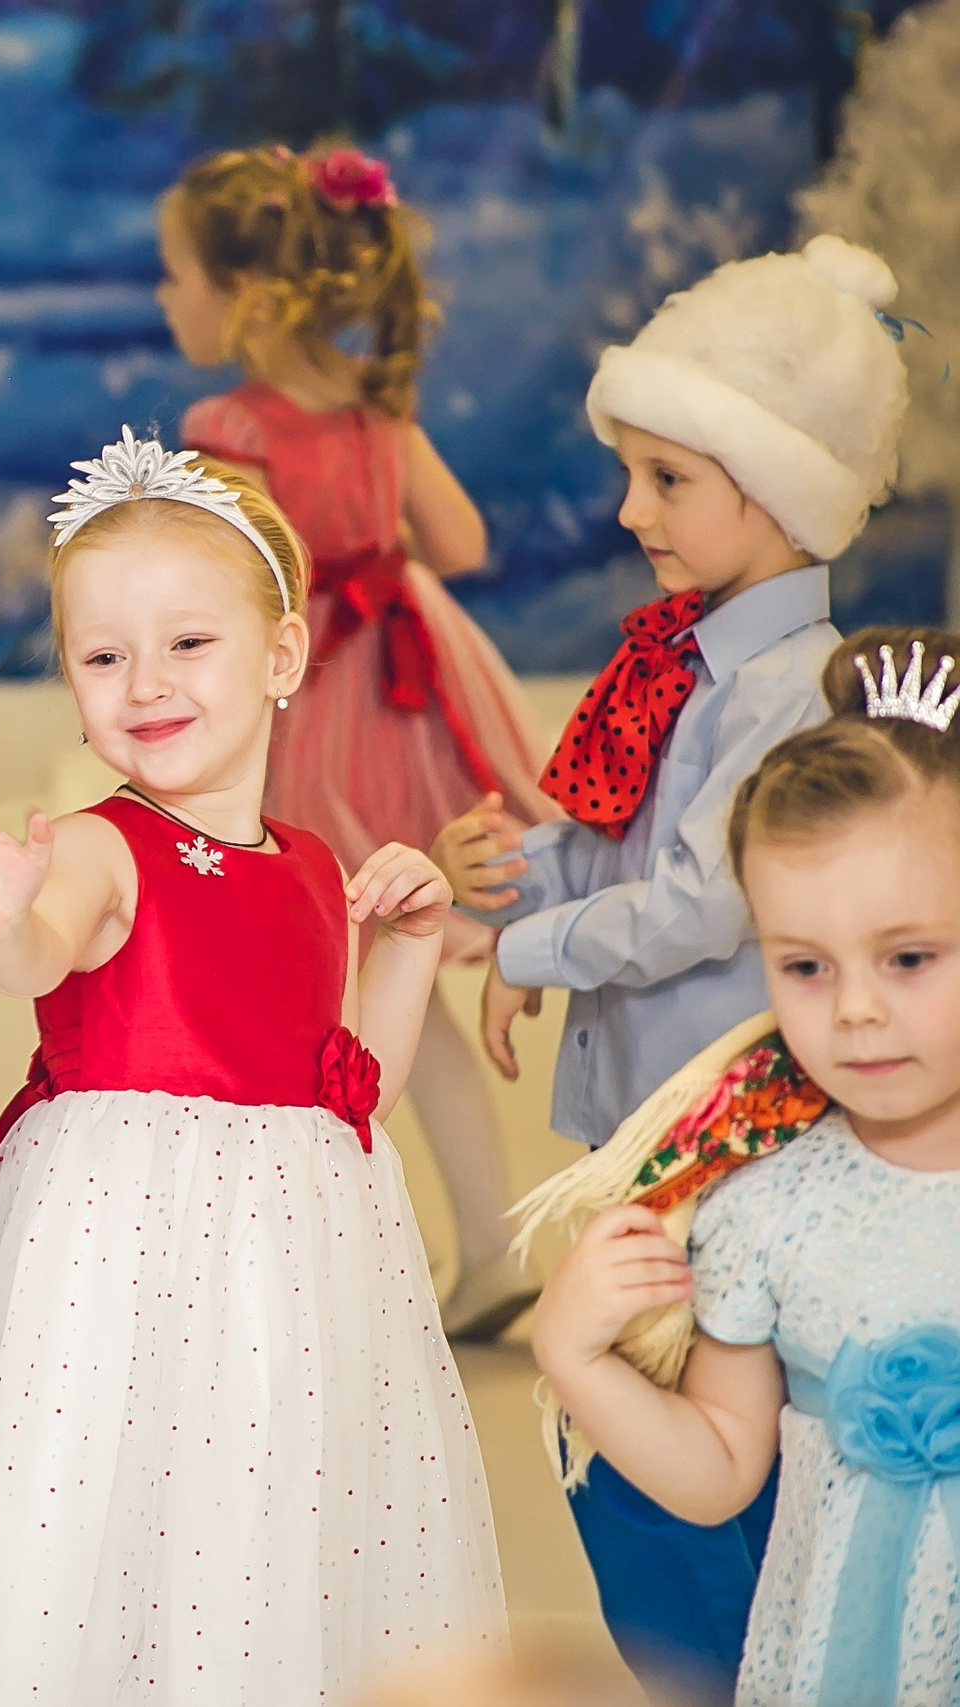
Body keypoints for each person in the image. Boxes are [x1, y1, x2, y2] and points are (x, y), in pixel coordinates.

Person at [0, 429, 504, 1705]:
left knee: (262, 1538)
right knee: (104, 1531)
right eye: (102, 657)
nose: (144, 683)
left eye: (188, 642)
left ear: (282, 655)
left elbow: (347, 1094)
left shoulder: (311, 865)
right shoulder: (101, 845)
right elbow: (36, 952)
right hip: (118, 1265)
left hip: (294, 1278)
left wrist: (413, 944)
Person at [433, 234, 909, 1699]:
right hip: (639, 1133)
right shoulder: (678, 661)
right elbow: (612, 830)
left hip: (727, 1145)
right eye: (630, 473)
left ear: (777, 490)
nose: (630, 509)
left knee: (686, 1476)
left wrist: (517, 941)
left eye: (667, 478)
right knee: (624, 1444)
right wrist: (501, 883)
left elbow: (704, 899)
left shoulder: (791, 686)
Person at [160, 143, 556, 1337]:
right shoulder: (378, 412)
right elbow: (463, 542)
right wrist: (367, 546)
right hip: (400, 690)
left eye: (175, 275)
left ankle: (313, 1260)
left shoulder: (231, 426)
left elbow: (213, 589)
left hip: (311, 700)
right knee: (397, 961)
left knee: (306, 973)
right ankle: (484, 1246)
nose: (166, 300)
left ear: (246, 293)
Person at [527, 625, 960, 1707]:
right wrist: (575, 1355)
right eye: (804, 966)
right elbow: (720, 1466)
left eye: (908, 958)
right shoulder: (766, 1204)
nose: (855, 1009)